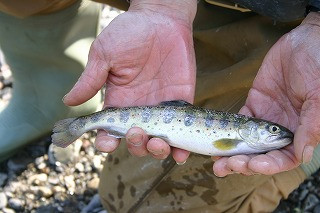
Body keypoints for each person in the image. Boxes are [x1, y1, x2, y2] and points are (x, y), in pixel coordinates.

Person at [1, 0, 320, 212]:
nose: (275, 132)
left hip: (295, 20)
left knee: (139, 203)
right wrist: (160, 5)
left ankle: (314, 137)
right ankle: (46, 96)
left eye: (271, 129)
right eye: (272, 129)